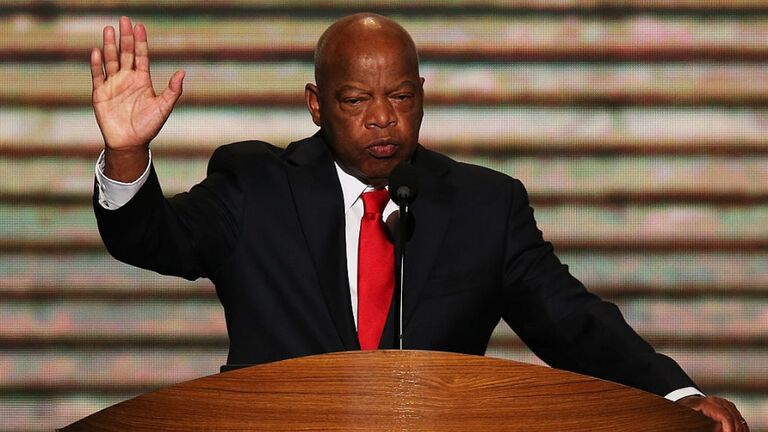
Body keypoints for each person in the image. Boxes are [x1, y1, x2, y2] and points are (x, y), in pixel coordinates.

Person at [90, 14, 748, 431]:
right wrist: (126, 153)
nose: (383, 117)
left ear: (422, 96)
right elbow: (152, 238)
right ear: (316, 104)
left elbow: (571, 322)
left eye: (401, 96)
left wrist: (676, 396)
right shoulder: (256, 185)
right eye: (356, 99)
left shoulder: (483, 206)